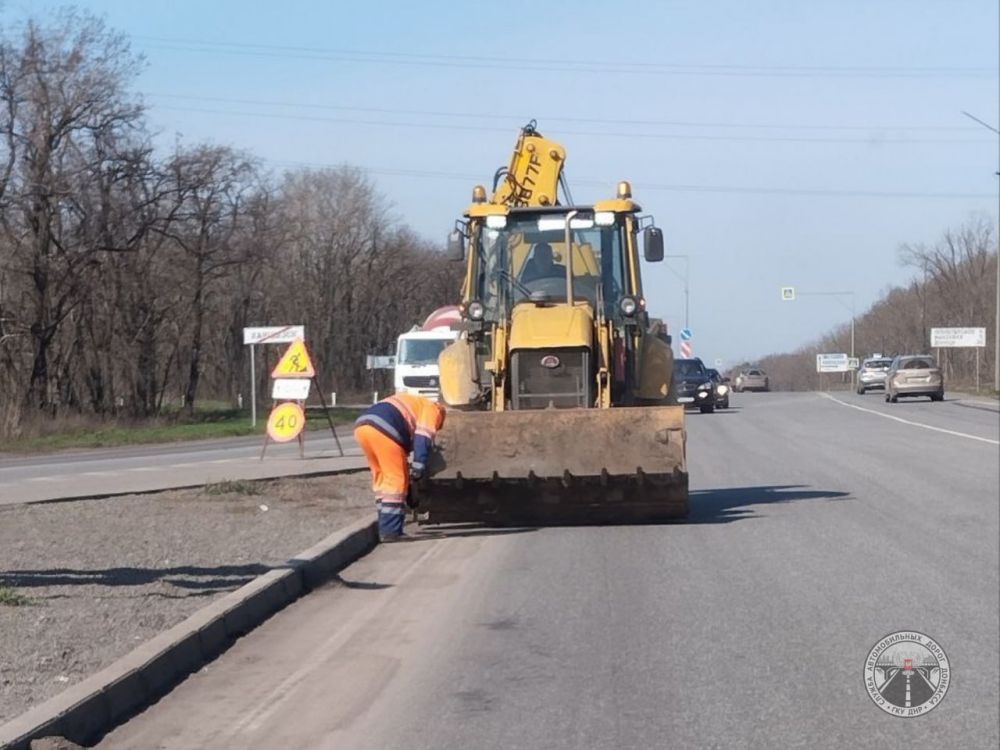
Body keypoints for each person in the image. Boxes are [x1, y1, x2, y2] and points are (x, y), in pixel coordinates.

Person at [353, 393, 446, 541]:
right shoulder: (432, 409)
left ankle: (384, 524)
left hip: (362, 427)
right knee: (396, 480)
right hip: (385, 430)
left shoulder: (413, 401)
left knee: (381, 478)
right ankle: (391, 532)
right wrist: (418, 466)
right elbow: (423, 437)